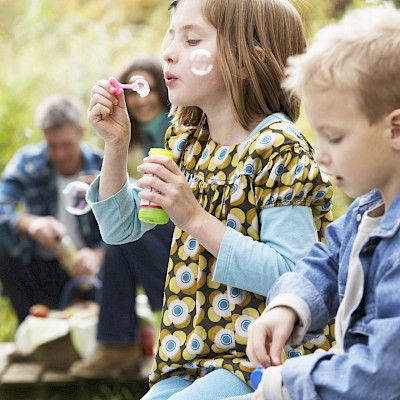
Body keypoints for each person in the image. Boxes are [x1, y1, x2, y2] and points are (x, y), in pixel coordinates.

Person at [86, 0, 333, 398]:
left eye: (191, 39)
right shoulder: (187, 142)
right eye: (171, 34)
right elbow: (121, 230)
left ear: (246, 60)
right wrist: (117, 144)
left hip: (264, 359)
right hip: (189, 358)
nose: (168, 50)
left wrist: (195, 219)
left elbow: (295, 274)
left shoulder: (277, 149)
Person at [241, 4, 400, 400]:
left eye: (335, 137)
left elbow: (383, 372)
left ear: (395, 129)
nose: (321, 156)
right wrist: (289, 306)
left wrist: (284, 385)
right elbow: (328, 259)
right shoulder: (369, 208)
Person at [69, 56, 174, 379]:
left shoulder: (175, 128)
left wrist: (120, 190)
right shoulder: (139, 137)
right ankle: (118, 344)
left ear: (164, 91)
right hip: (166, 228)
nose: (143, 99)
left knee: (121, 239)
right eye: (135, 91)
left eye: (150, 89)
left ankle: (117, 344)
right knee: (117, 239)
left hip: (184, 236)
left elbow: (164, 194)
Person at [0, 94, 104, 323]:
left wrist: (99, 255)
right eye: (52, 145)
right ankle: (28, 326)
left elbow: (125, 223)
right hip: (40, 268)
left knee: (117, 256)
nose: (60, 154)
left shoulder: (101, 166)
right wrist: (30, 224)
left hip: (90, 271)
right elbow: (2, 206)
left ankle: (113, 333)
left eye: (66, 144)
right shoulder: (27, 163)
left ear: (81, 133)